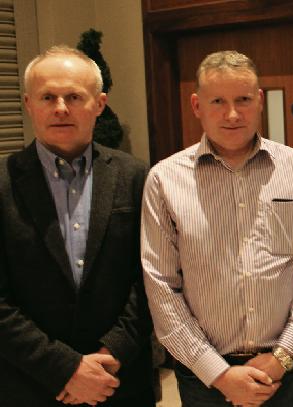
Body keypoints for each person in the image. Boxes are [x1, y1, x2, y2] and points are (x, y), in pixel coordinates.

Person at [141, 50, 293, 407]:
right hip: (205, 379)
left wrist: (282, 357)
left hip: (288, 373)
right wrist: (219, 374)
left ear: (258, 101)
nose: (232, 114)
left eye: (243, 99)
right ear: (197, 105)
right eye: (218, 101)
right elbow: (161, 286)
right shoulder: (164, 180)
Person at [0, 45, 154, 406]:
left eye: (73, 96)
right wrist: (65, 368)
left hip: (120, 382)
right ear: (28, 103)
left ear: (99, 104)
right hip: (30, 385)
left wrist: (111, 353)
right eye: (47, 96)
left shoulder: (137, 175)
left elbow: (153, 278)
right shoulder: (2, 182)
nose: (60, 108)